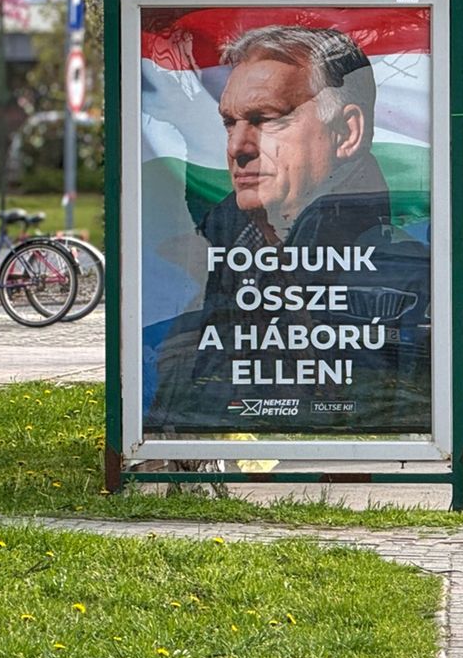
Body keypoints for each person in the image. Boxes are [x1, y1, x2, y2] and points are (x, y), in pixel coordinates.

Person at [147, 25, 430, 434]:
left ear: (346, 133)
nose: (238, 148)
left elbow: (380, 407)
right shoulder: (217, 247)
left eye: (267, 119)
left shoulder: (394, 265)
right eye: (230, 122)